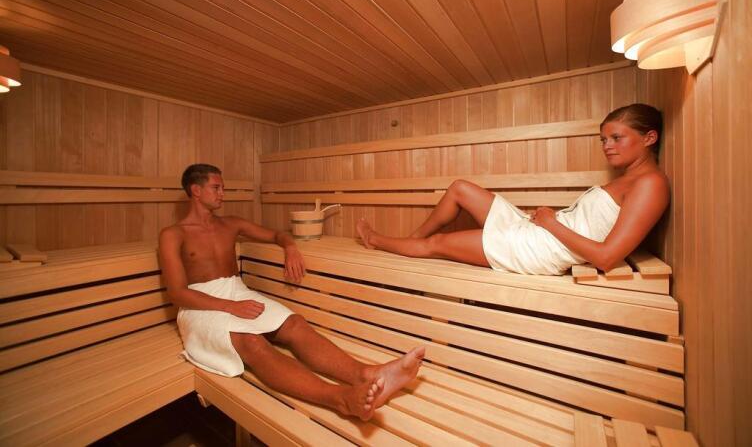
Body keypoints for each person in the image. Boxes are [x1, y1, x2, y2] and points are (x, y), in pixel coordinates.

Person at [159, 163, 424, 421]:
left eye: (222, 188)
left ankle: (366, 374)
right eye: (216, 188)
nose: (222, 194)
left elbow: (277, 235)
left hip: (236, 292)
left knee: (295, 323)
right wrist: (230, 307)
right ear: (196, 190)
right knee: (252, 341)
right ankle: (341, 399)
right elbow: (177, 293)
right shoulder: (173, 234)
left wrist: (290, 248)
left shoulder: (230, 224)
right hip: (199, 306)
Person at [356, 103, 670, 276]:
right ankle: (411, 241)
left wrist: (550, 223)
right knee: (460, 188)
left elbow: (606, 257)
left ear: (649, 138)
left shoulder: (651, 185)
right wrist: (548, 221)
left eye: (617, 138)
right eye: (604, 139)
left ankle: (377, 240)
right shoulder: (630, 178)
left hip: (539, 250)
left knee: (437, 243)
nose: (607, 146)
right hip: (538, 231)